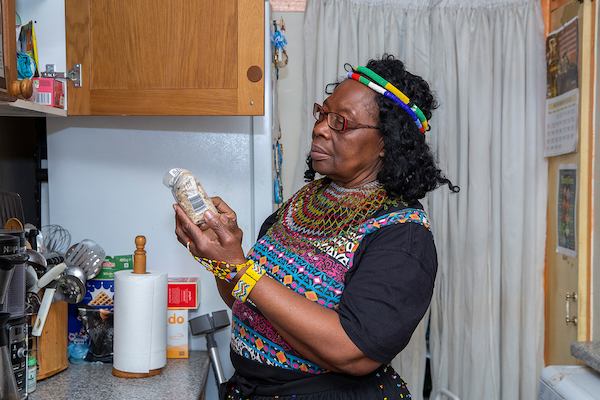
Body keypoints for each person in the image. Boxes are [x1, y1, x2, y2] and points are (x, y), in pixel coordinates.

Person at [174, 54, 458, 399]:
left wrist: (239, 270)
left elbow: (351, 350)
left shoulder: (402, 236)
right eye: (323, 113)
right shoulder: (303, 203)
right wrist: (222, 255)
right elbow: (251, 303)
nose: (320, 127)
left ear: (386, 142)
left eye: (341, 121)